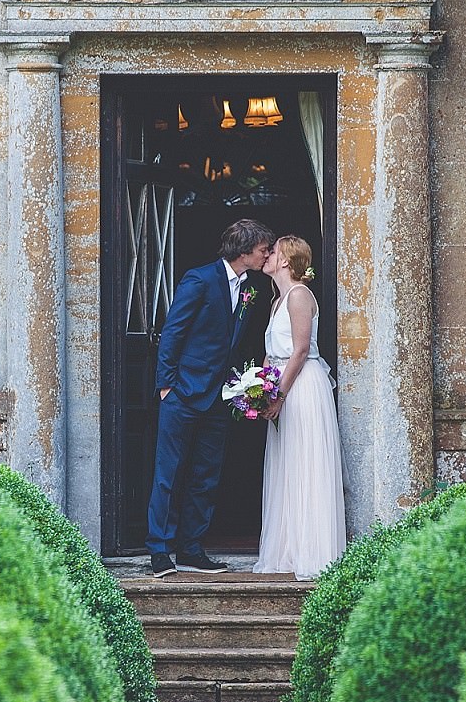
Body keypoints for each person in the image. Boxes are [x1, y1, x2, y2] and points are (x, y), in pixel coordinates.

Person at [146, 218, 276, 577]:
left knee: (206, 476)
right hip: (183, 393)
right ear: (245, 250)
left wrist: (241, 383)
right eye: (263, 248)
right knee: (167, 474)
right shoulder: (200, 279)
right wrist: (166, 385)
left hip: (220, 396)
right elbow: (173, 331)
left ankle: (191, 548)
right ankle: (159, 550)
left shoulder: (251, 287)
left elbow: (236, 341)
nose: (268, 253)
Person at [253, 235, 347, 580]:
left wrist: (278, 394)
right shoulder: (276, 299)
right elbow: (272, 351)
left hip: (302, 386)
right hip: (282, 383)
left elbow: (300, 350)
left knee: (306, 463)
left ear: (286, 261)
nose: (267, 255)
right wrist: (258, 389)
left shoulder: (299, 296)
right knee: (286, 465)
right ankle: (287, 550)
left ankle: (314, 551)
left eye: (273, 251)